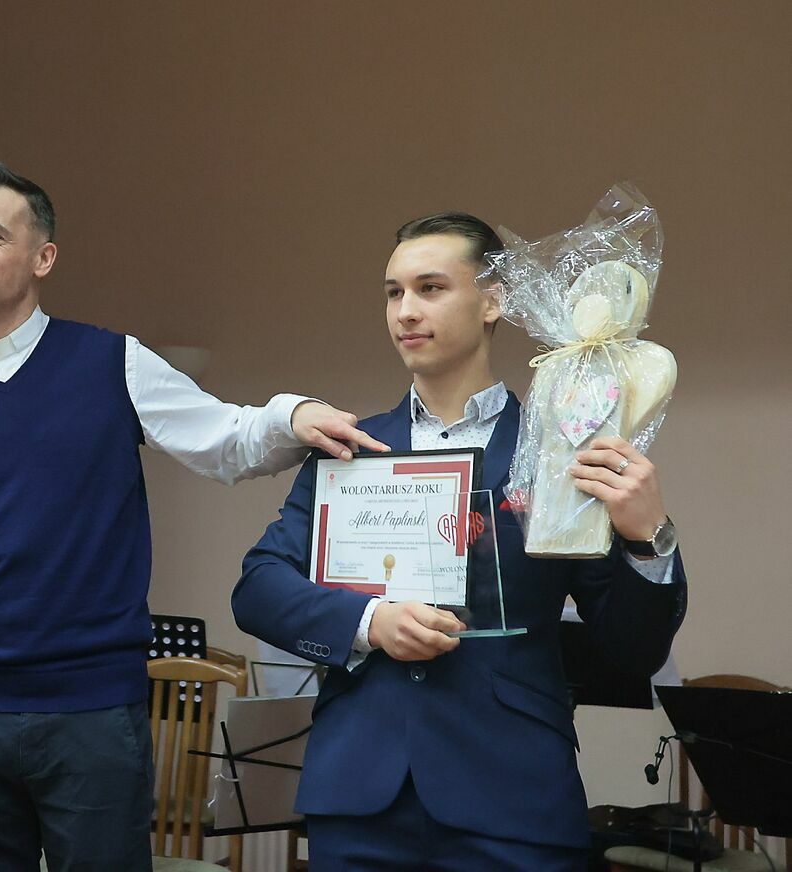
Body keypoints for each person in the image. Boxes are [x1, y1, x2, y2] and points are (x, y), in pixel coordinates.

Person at [0, 162, 386, 871]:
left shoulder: (112, 363)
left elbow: (225, 440)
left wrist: (292, 414)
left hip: (94, 714)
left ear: (44, 257)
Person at [231, 213, 687, 871]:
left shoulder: (559, 452)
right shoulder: (350, 449)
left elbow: (634, 649)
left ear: (493, 300)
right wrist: (369, 622)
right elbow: (258, 588)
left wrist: (649, 537)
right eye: (394, 292)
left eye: (431, 288)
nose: (406, 311)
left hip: (512, 801)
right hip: (358, 800)